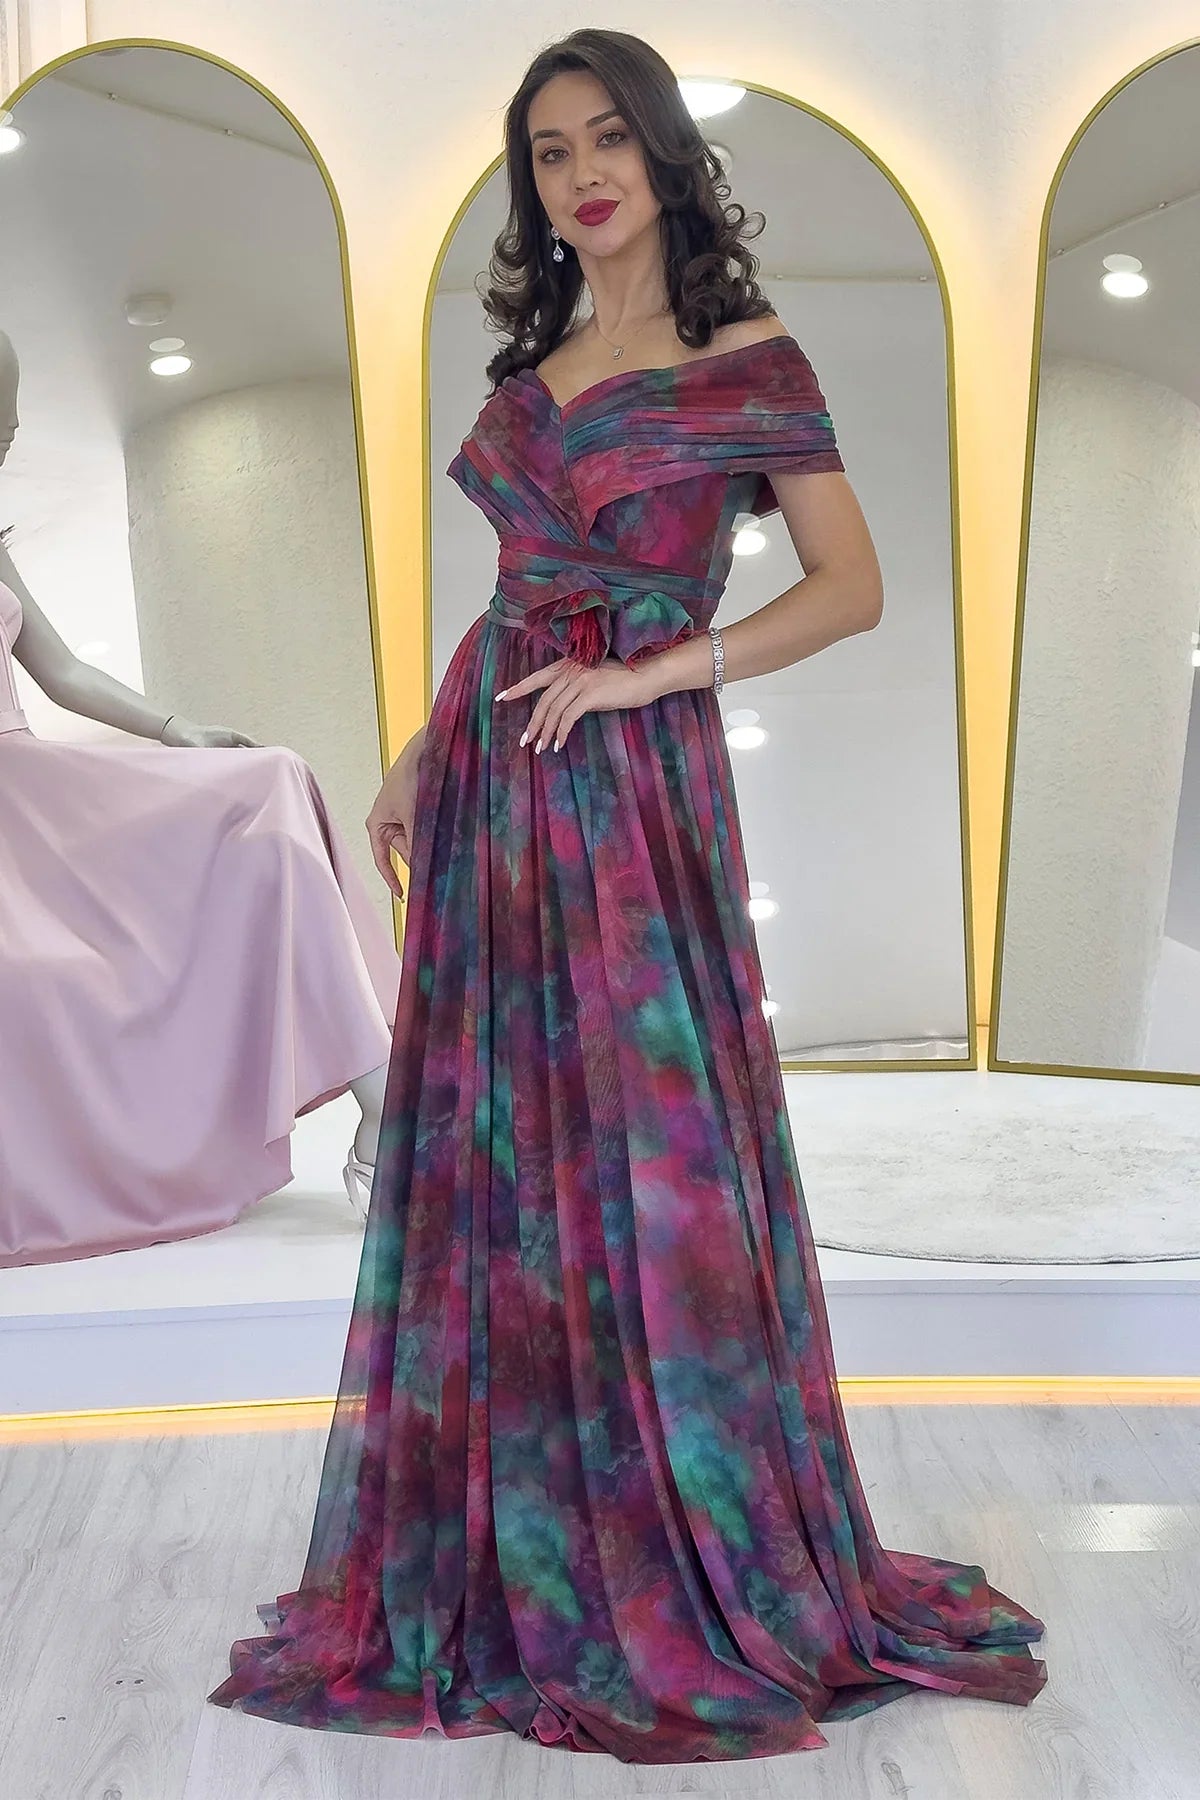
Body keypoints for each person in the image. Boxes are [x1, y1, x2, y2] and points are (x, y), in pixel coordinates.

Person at [208, 27, 1047, 1762]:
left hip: (636, 787)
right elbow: (517, 595)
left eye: (608, 139)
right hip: (498, 779)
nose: (582, 174)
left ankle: (681, 1545)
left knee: (658, 1158)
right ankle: (520, 1549)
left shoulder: (747, 359)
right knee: (506, 1157)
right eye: (550, 151)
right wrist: (420, 750)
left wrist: (655, 675)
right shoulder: (541, 364)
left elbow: (853, 587)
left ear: (664, 158)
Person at [0, 336, 399, 1264]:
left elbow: (61, 671)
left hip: (33, 791)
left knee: (268, 783)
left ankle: (386, 1101)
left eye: (9, 422)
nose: (9, 438)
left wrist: (175, 727)